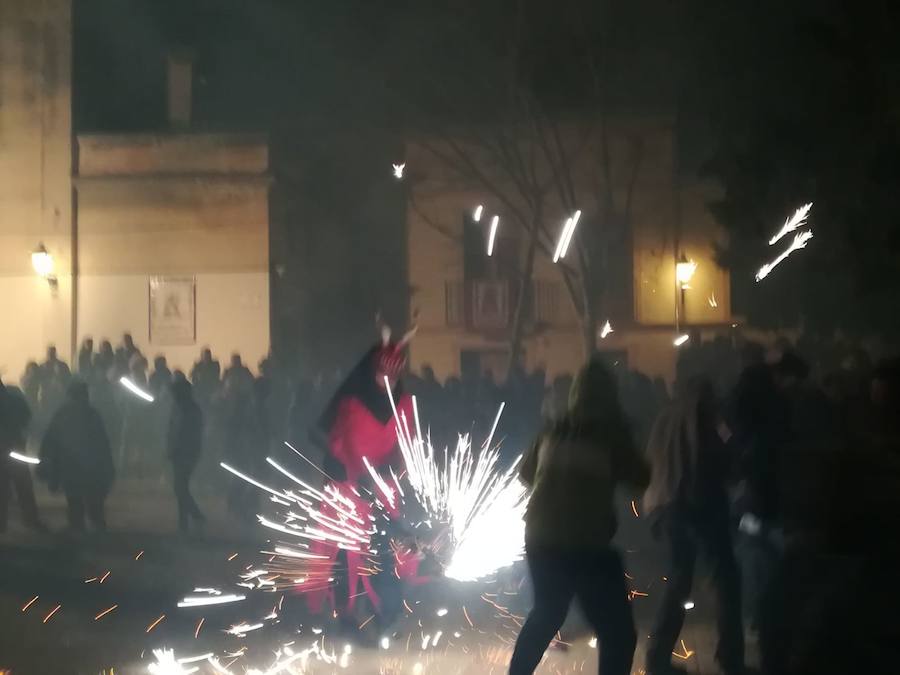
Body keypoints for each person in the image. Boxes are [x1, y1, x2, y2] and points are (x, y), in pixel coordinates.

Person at [509, 358, 649, 675]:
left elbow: (526, 474)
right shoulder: (611, 435)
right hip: (585, 541)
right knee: (618, 631)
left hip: (540, 535)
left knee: (547, 612)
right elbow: (641, 478)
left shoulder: (554, 428)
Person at [643, 376, 744, 675]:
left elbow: (650, 460)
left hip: (665, 506)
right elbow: (717, 457)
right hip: (697, 505)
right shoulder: (706, 415)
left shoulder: (664, 417)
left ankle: (657, 657)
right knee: (726, 580)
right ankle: (730, 657)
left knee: (678, 581)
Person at [39, 381, 114, 531]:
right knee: (92, 494)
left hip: (71, 462)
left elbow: (50, 438)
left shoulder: (63, 413)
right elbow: (103, 442)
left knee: (74, 495)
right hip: (90, 462)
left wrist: (46, 458)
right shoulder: (92, 414)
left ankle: (78, 522)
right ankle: (95, 521)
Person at [0, 379, 45, 533]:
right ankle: (30, 519)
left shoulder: (13, 399)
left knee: (3, 488)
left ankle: (2, 523)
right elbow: (27, 419)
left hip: (5, 449)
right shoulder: (15, 399)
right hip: (15, 447)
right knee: (23, 486)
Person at [167, 377, 205, 532]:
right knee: (180, 487)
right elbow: (172, 431)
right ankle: (184, 523)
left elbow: (187, 433)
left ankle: (195, 517)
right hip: (181, 452)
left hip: (187, 453)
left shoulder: (190, 409)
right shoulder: (180, 407)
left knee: (180, 487)